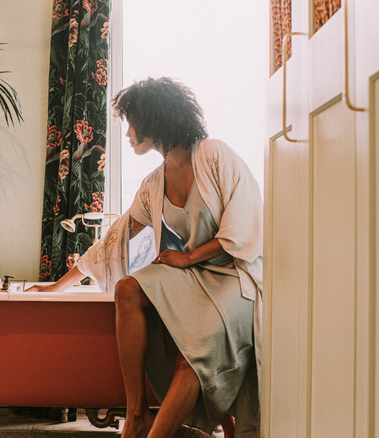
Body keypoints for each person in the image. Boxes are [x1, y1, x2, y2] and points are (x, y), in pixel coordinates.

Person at [29, 77, 262, 438]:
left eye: (131, 123)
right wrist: (56, 288)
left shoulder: (213, 154)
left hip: (235, 278)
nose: (128, 134)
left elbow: (244, 226)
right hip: (193, 278)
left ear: (154, 120)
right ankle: (136, 412)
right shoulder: (155, 183)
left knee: (192, 357)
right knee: (128, 289)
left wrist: (188, 258)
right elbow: (113, 241)